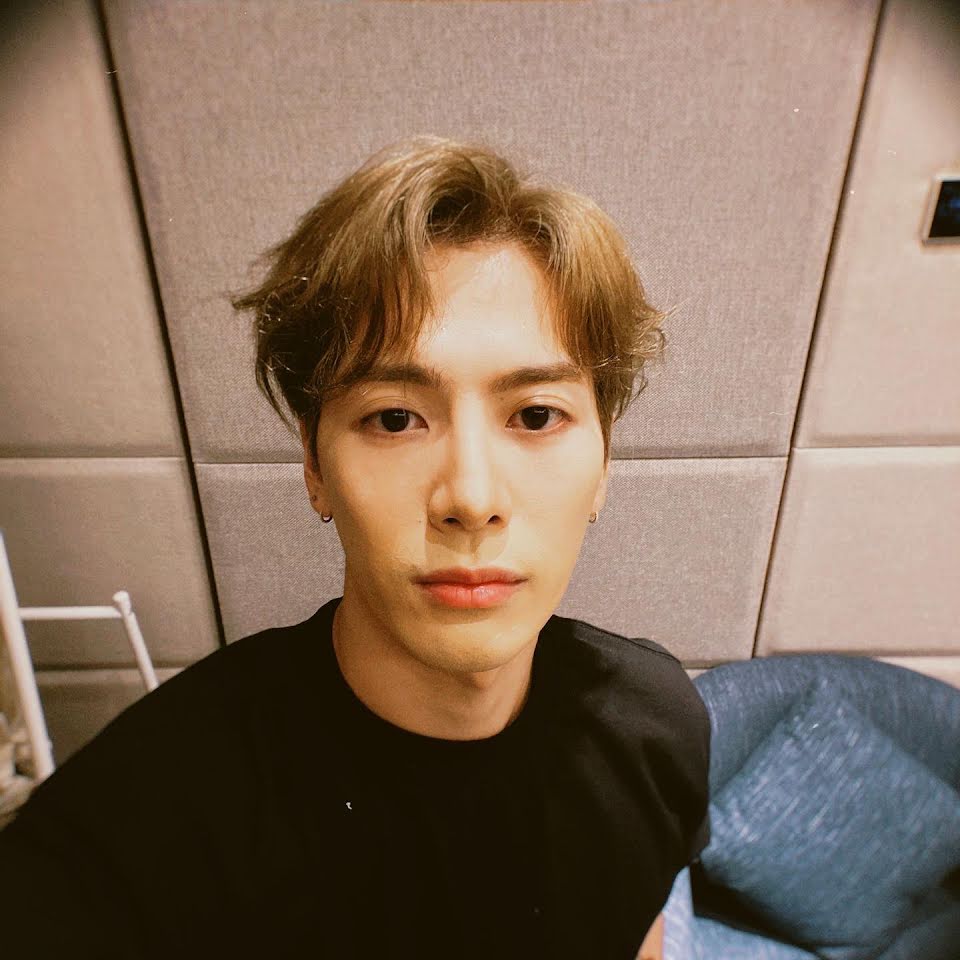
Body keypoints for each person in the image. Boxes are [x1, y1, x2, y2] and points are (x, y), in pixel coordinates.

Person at [0, 135, 710, 959]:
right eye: (395, 418)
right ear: (315, 466)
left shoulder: (658, 722)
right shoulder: (140, 821)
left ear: (604, 462)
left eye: (536, 415)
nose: (471, 499)